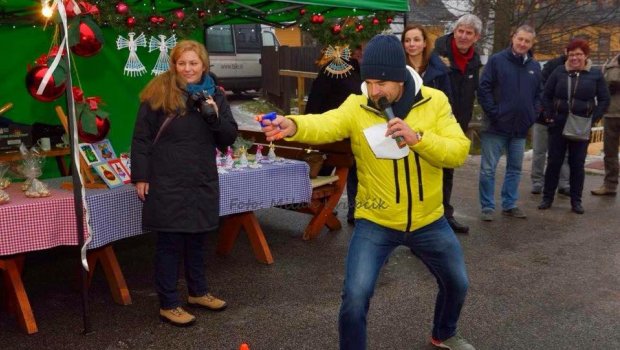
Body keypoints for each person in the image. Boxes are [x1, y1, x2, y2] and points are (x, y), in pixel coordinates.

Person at [260, 34, 474, 350]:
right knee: (355, 296)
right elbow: (326, 123)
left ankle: (443, 333)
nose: (374, 92)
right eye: (369, 82)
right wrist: (292, 125)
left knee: (457, 283)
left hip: (429, 221)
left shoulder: (435, 101)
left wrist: (418, 139)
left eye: (382, 83)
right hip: (376, 220)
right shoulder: (357, 105)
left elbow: (458, 151)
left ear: (400, 76)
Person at [131, 40, 238, 326]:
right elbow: (141, 138)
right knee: (170, 241)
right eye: (182, 63)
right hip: (167, 179)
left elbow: (228, 138)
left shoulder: (216, 94)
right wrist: (140, 176)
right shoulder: (158, 92)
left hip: (200, 178)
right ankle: (168, 303)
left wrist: (214, 117)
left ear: (204, 65)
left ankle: (198, 292)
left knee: (198, 237)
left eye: (193, 63)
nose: (188, 69)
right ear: (174, 65)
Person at [477, 25, 542, 221]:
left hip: (520, 128)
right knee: (488, 169)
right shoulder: (497, 60)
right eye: (520, 39)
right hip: (495, 126)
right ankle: (487, 207)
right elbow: (484, 88)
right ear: (513, 38)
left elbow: (539, 94)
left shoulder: (534, 66)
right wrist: (494, 113)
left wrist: (532, 114)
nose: (523, 43)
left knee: (515, 168)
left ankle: (509, 204)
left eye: (527, 41)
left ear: (531, 43)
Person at [538, 39, 610, 213]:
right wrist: (549, 115)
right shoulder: (559, 72)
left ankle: (576, 201)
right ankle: (547, 198)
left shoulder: (595, 75)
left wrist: (593, 118)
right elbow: (546, 95)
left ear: (586, 55)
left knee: (577, 164)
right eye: (571, 54)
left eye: (578, 54)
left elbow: (604, 99)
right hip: (558, 124)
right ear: (567, 55)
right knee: (554, 162)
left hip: (581, 125)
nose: (575, 58)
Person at [433, 14, 483, 233]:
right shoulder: (438, 53)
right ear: (454, 31)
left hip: (458, 123)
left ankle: (445, 214)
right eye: (460, 31)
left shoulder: (475, 60)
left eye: (468, 33)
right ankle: (425, 220)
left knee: (448, 170)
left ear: (476, 37)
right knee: (429, 170)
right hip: (435, 122)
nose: (463, 36)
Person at [305, 45, 362, 224]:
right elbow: (316, 98)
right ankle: (322, 206)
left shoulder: (359, 69)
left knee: (355, 171)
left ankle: (353, 209)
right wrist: (311, 124)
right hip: (331, 129)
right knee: (327, 167)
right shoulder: (335, 69)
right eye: (359, 48)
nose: (361, 52)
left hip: (352, 130)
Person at [531, 54, 571, 195]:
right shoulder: (551, 66)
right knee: (539, 151)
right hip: (542, 117)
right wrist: (543, 109)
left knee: (563, 153)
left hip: (562, 118)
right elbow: (540, 90)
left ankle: (564, 183)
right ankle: (537, 181)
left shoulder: (577, 72)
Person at [591, 53, 620, 196]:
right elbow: (601, 85)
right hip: (611, 113)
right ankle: (610, 185)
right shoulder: (611, 62)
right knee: (610, 153)